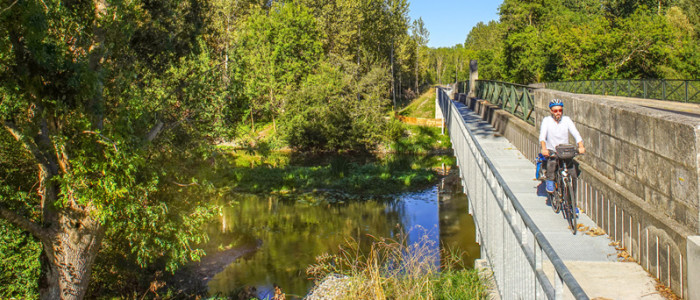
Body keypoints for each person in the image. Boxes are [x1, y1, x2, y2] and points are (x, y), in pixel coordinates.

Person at [539, 99, 585, 193]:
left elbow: (576, 133)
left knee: (572, 174)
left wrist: (580, 146)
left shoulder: (566, 120)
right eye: (555, 111)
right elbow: (542, 137)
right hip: (552, 150)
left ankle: (572, 204)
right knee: (552, 163)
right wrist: (544, 148)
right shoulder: (547, 121)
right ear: (551, 111)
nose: (558, 113)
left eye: (560, 110)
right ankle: (550, 180)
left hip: (564, 151)